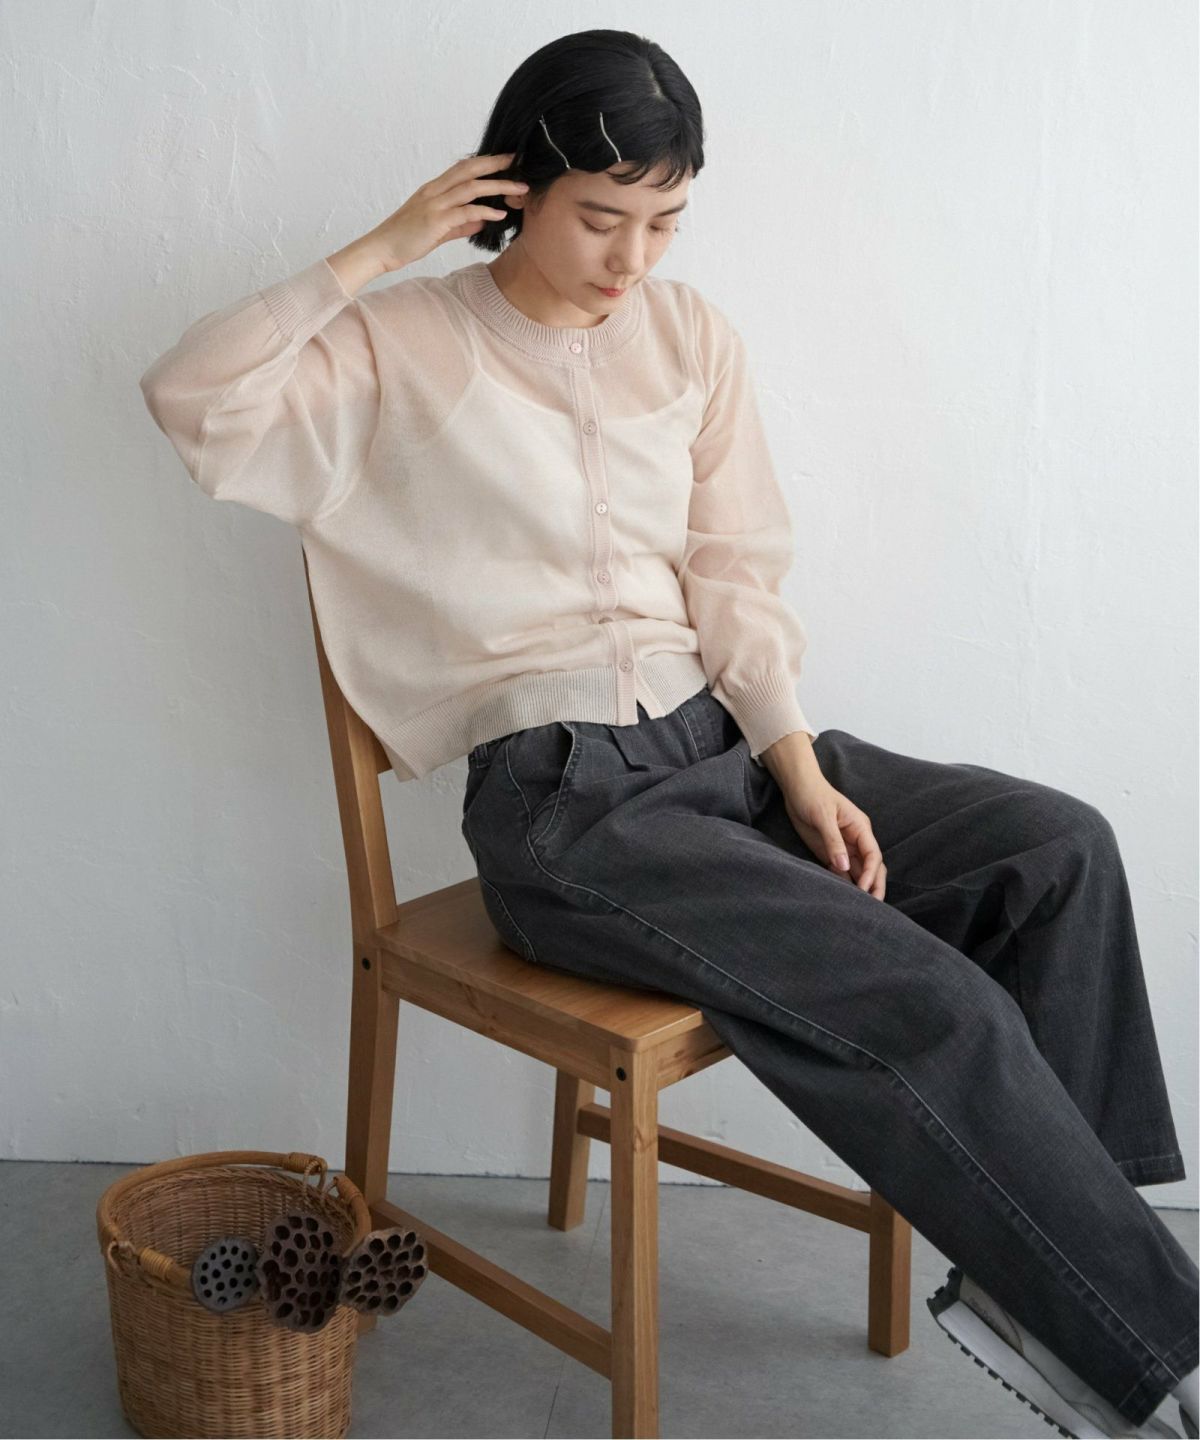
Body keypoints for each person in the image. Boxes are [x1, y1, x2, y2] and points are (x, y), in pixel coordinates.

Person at [139, 26, 1197, 1440]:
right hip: (568, 809)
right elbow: (192, 397)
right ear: (511, 189)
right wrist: (380, 250)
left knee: (1057, 849)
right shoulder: (403, 345)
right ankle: (1158, 1354)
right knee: (932, 1001)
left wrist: (796, 766)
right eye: (600, 217)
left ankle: (1057, 1283)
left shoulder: (691, 337)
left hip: (727, 759)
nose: (631, 257)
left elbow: (734, 576)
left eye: (664, 220)